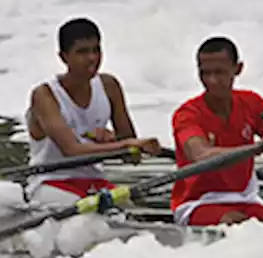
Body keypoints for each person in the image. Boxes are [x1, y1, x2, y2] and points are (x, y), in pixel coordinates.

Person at [24, 17, 162, 206]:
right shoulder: (45, 95)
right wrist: (125, 144)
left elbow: (131, 153)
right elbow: (71, 150)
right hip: (50, 182)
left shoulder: (109, 86)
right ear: (63, 57)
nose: (92, 58)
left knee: (128, 212)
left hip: (94, 183)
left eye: (96, 50)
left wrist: (122, 143)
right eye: (82, 52)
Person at [170, 35, 263, 228]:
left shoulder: (252, 102)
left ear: (237, 69)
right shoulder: (187, 114)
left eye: (220, 73)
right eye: (205, 73)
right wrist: (261, 146)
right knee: (235, 224)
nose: (212, 81)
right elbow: (201, 155)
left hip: (245, 199)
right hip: (198, 202)